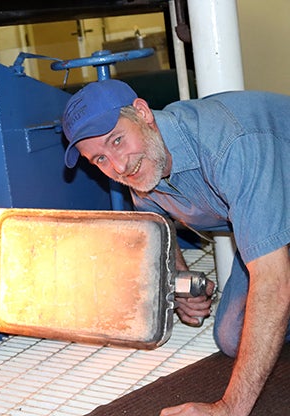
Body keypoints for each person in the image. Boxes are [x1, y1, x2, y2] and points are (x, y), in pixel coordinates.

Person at [61, 79, 290, 416]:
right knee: (232, 336)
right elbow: (159, 222)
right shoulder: (143, 162)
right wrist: (182, 283)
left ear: (142, 113)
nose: (119, 167)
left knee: (272, 291)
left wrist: (229, 408)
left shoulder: (230, 143)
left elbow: (272, 283)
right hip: (279, 217)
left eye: (117, 140)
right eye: (99, 159)